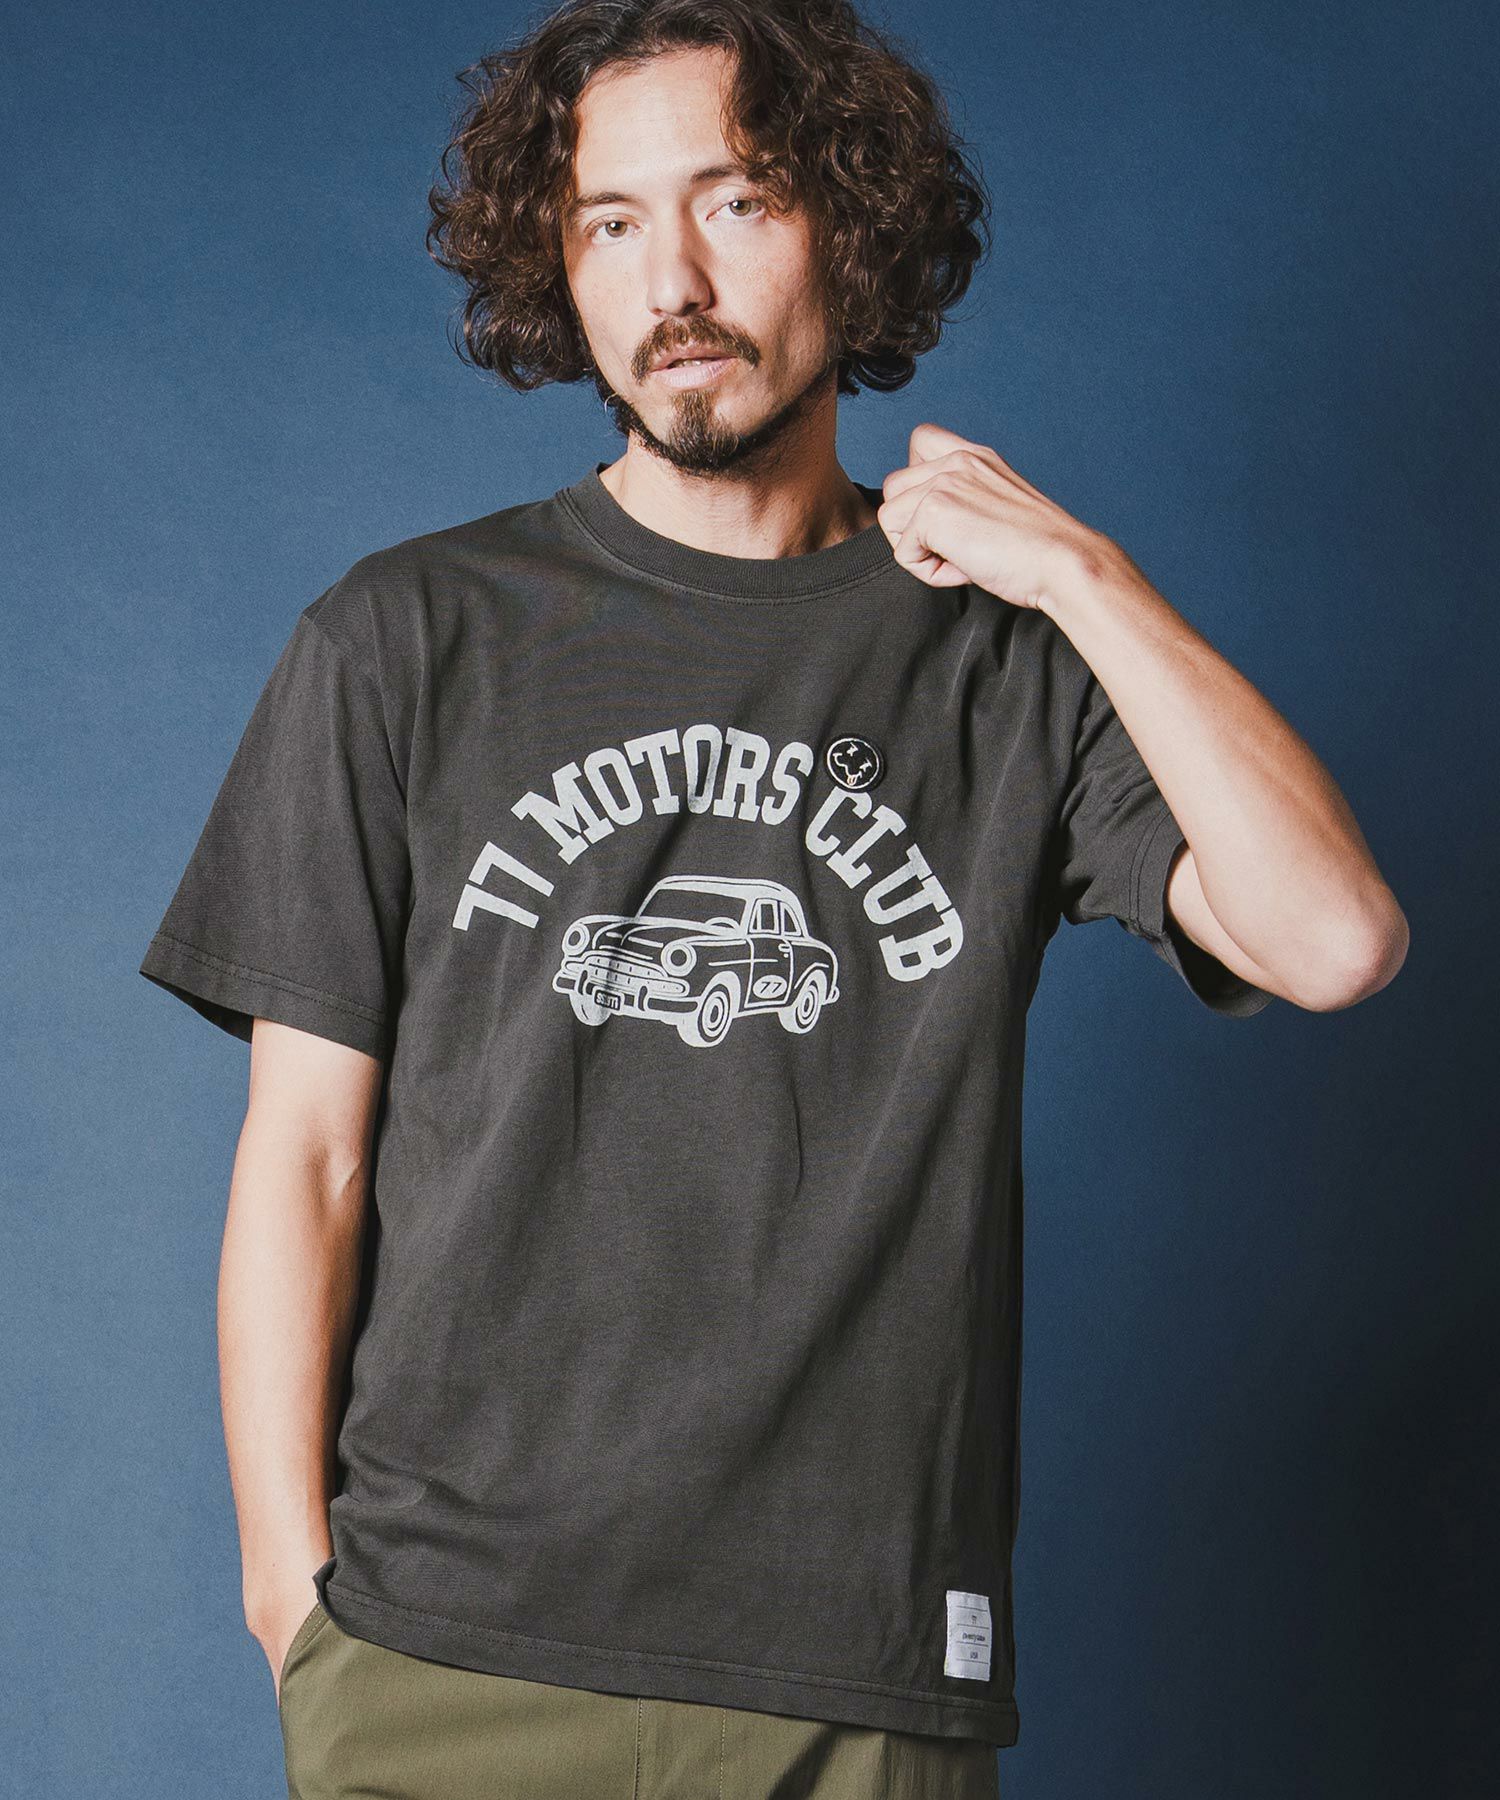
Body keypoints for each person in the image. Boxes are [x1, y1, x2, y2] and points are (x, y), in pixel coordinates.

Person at [138, 2, 1409, 1795]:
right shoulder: (405, 638)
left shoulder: (1005, 662)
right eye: (609, 222)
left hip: (859, 1662)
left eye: (736, 202)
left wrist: (1085, 577)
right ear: (558, 268)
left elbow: (1335, 939)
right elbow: (306, 1159)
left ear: (853, 229)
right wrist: (293, 1603)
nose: (672, 279)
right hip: (443, 1651)